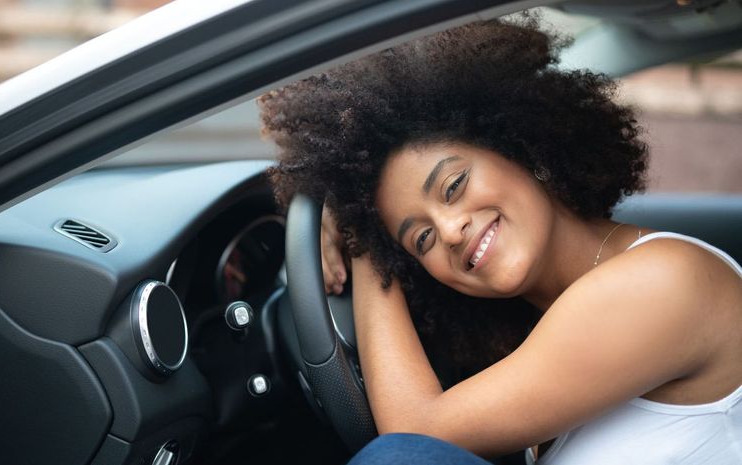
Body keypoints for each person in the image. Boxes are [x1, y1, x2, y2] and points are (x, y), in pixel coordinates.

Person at [258, 16, 742, 465]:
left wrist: (362, 239)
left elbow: (412, 439)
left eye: (453, 186)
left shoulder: (661, 281)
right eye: (420, 239)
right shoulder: (547, 331)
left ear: (522, 149)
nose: (448, 232)